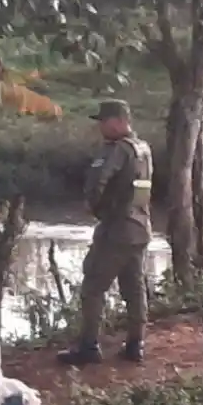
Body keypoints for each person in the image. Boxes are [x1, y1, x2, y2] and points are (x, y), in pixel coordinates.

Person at [57, 99, 152, 366]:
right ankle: (136, 344)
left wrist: (96, 210)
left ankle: (89, 347)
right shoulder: (142, 148)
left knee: (93, 287)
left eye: (104, 121)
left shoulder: (116, 150)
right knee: (134, 288)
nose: (100, 126)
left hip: (116, 230)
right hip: (140, 228)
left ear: (120, 121)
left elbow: (96, 183)